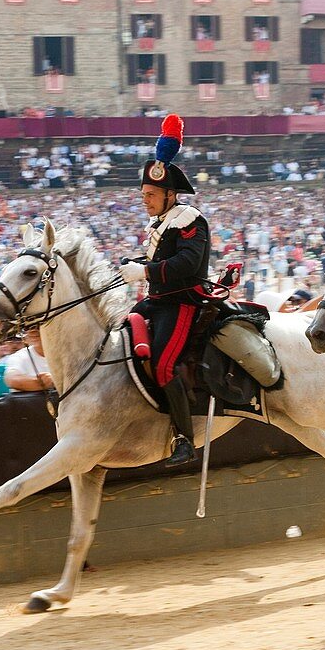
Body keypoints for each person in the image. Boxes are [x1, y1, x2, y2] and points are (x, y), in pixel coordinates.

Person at [119, 114, 210, 464]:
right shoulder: (161, 224)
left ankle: (184, 440)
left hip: (183, 303)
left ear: (170, 194)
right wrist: (137, 264)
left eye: (151, 194)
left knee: (164, 367)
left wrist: (143, 271)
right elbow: (159, 262)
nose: (145, 200)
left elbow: (187, 264)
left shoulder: (190, 220)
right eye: (143, 194)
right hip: (156, 302)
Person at [1, 328, 52, 393]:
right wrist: (41, 382)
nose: (33, 331)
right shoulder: (18, 357)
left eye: (38, 326)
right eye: (28, 328)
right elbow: (11, 379)